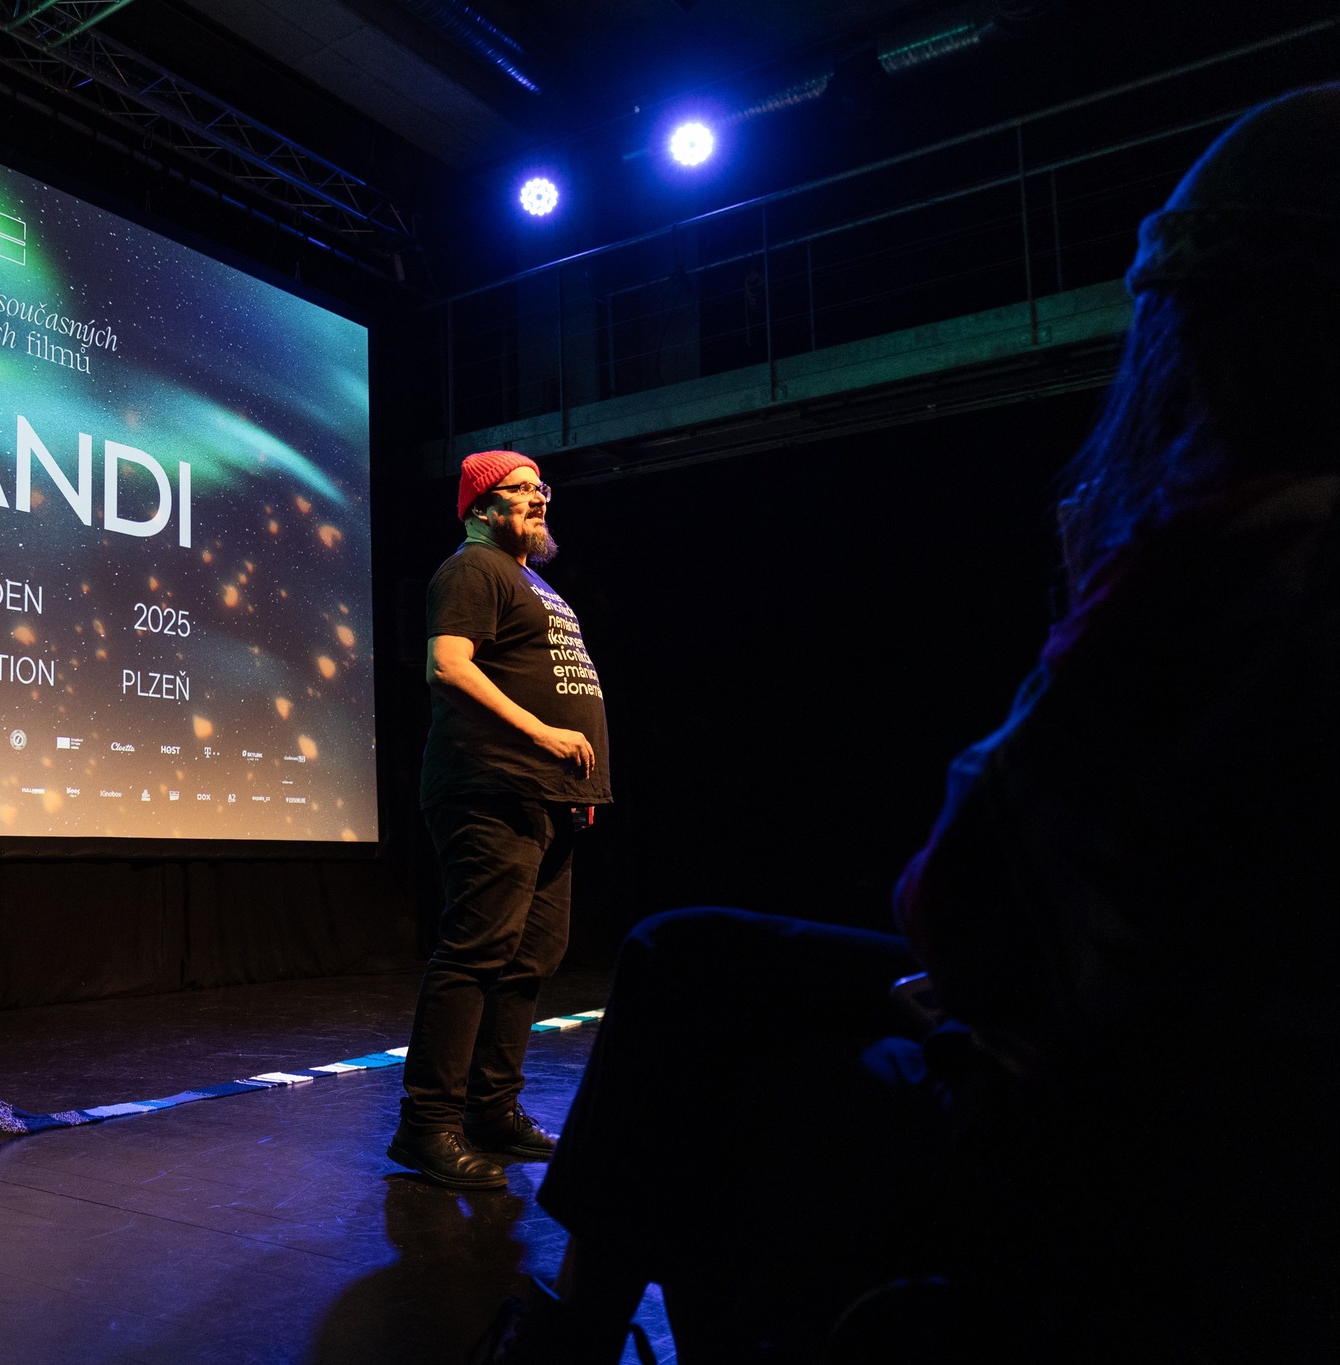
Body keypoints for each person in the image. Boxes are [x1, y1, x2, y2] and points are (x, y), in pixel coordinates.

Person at [500, 84, 1340, 1362]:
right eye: (522, 491)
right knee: (685, 957)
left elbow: (958, 898)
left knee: (686, 969)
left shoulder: (1237, 556)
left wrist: (1096, 606)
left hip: (1143, 1152)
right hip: (1212, 1135)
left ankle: (570, 1338)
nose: (541, 504)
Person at [389, 450, 612, 1191]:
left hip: (543, 795)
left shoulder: (532, 581)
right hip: (488, 788)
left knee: (532, 956)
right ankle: (427, 1125)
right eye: (519, 489)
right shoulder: (472, 569)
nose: (538, 497)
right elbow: (449, 666)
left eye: (541, 487)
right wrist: (544, 737)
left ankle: (492, 1110)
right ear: (481, 507)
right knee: (476, 951)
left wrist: (572, 782)